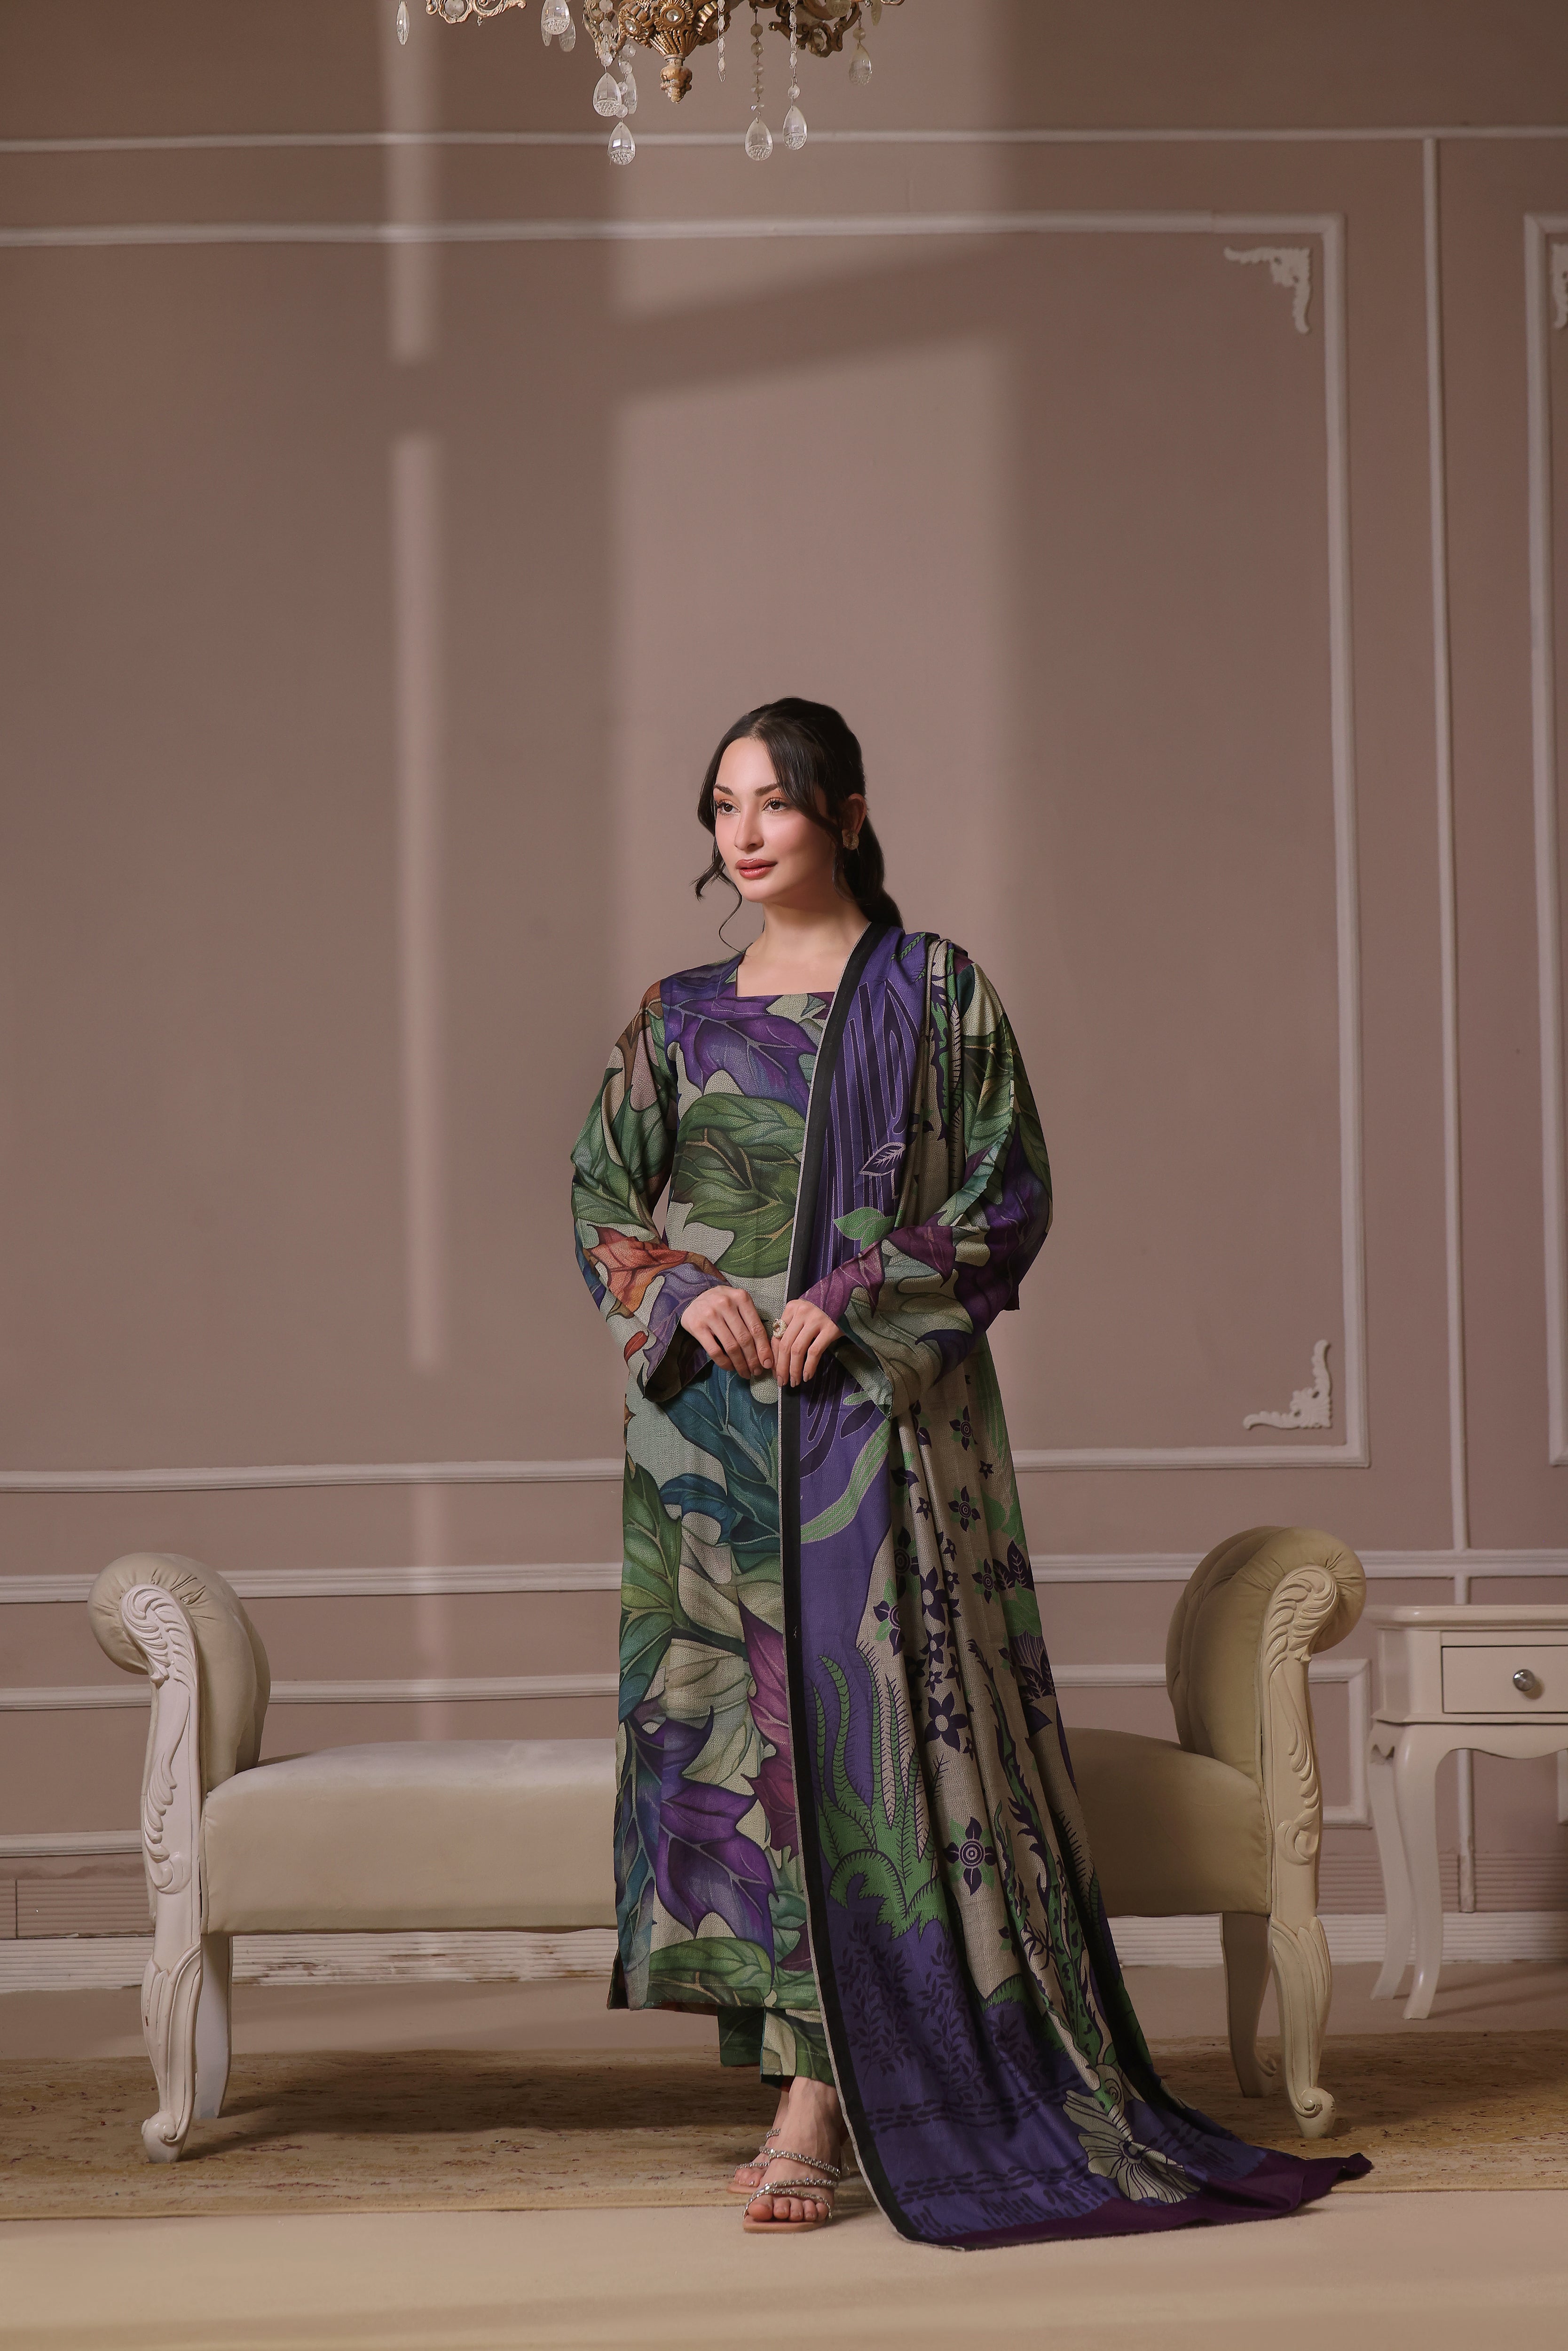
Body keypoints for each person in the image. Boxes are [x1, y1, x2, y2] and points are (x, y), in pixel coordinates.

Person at [570, 697, 1368, 2246]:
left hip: (874, 1418)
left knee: (867, 1746)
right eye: (720, 806)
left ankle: (833, 2105)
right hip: (712, 1440)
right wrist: (683, 1288)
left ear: (847, 815)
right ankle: (807, 2080)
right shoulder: (675, 1015)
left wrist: (848, 1299)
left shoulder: (936, 996)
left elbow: (1011, 1193)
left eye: (774, 802)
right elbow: (605, 1195)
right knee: (748, 1749)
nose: (742, 832)